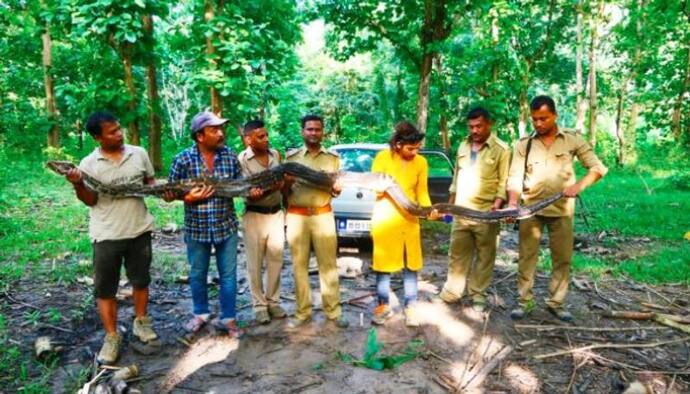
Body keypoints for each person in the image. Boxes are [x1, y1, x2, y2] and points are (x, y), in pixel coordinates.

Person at [64, 111, 159, 364]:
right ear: (98, 137)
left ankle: (141, 322)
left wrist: (164, 190)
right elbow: (91, 200)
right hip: (106, 234)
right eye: (112, 132)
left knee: (141, 280)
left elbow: (150, 182)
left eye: (119, 129)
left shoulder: (138, 153)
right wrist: (77, 184)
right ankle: (112, 336)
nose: (119, 134)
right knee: (106, 288)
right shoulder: (87, 165)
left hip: (139, 229)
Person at [506, 95, 608, 322]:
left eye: (544, 118)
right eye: (535, 120)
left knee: (562, 258)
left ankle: (556, 302)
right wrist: (512, 203)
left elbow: (598, 167)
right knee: (526, 257)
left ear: (555, 116)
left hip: (562, 210)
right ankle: (525, 302)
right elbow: (514, 177)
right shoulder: (524, 144)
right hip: (529, 210)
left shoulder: (571, 140)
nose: (539, 124)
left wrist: (578, 186)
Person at [164, 111, 244, 338]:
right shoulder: (183, 159)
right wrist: (187, 198)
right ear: (200, 136)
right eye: (214, 130)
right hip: (196, 228)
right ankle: (200, 313)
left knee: (228, 275)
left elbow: (239, 187)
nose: (221, 134)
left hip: (225, 226)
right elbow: (169, 193)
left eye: (221, 129)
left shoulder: (230, 156)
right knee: (198, 273)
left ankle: (228, 318)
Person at [439, 107, 511, 313]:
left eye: (479, 126)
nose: (475, 130)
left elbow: (503, 182)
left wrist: (496, 207)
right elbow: (455, 179)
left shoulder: (501, 149)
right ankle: (452, 292)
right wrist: (450, 206)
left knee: (485, 256)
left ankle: (478, 294)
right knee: (457, 254)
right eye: (471, 127)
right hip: (461, 210)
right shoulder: (463, 145)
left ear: (489, 124)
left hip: (485, 213)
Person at [370, 121, 438, 327]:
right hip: (385, 219)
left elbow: (422, 193)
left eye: (417, 148)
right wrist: (381, 186)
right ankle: (383, 306)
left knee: (411, 265)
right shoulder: (382, 158)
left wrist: (429, 211)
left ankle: (411, 307)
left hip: (409, 221)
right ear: (398, 144)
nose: (414, 152)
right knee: (383, 266)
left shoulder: (421, 163)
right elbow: (375, 188)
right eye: (410, 148)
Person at [283, 114, 348, 329]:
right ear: (302, 132)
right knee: (299, 266)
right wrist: (286, 183)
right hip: (296, 216)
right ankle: (303, 313)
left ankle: (333, 312)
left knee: (328, 265)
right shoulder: (291, 158)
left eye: (317, 129)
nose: (313, 133)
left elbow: (336, 190)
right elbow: (283, 191)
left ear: (323, 132)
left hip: (323, 216)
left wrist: (337, 189)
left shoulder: (332, 158)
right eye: (309, 129)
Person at [237, 120, 287, 324]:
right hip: (254, 216)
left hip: (276, 214)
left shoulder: (275, 155)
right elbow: (248, 192)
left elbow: (283, 184)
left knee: (276, 260)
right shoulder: (242, 160)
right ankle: (259, 305)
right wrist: (270, 188)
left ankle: (273, 302)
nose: (266, 139)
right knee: (255, 263)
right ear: (248, 139)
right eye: (260, 136)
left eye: (266, 135)